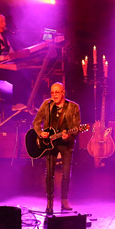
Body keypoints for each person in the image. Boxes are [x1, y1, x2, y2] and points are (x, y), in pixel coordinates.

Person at [32, 82, 81, 214]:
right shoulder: (47, 104)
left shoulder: (73, 107)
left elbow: (77, 127)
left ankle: (64, 200)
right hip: (50, 143)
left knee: (66, 173)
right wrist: (40, 132)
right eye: (52, 93)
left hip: (66, 144)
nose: (54, 95)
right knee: (49, 173)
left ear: (63, 93)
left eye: (57, 92)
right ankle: (49, 202)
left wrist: (69, 135)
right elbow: (36, 122)